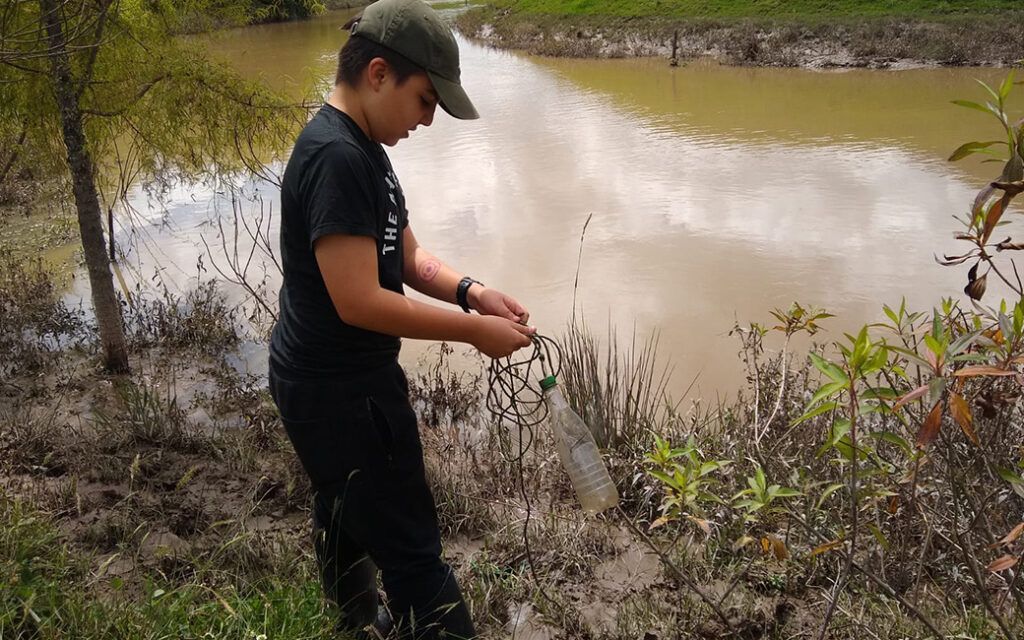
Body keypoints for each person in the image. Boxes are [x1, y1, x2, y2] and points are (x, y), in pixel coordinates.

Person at [267, 0, 535, 638]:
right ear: (379, 73)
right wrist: (474, 333)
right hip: (340, 388)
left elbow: (407, 257)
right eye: (425, 101)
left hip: (328, 380)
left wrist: (472, 293)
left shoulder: (365, 148)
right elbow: (358, 301)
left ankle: (356, 623)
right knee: (413, 551)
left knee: (343, 504)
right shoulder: (336, 157)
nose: (428, 120)